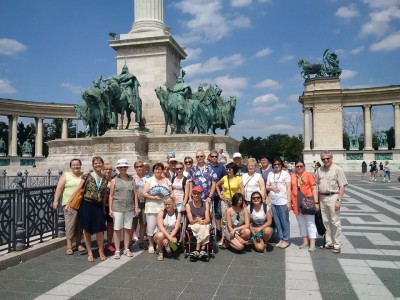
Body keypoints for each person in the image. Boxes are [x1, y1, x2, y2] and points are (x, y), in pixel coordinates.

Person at [69, 156, 109, 262]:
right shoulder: (87, 175)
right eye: (95, 163)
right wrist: (69, 201)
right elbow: (78, 188)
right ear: (93, 165)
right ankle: (90, 252)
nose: (98, 165)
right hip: (87, 205)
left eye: (99, 163)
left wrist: (104, 207)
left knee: (100, 230)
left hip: (98, 206)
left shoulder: (105, 177)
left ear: (102, 164)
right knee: (87, 230)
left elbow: (104, 194)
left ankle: (101, 251)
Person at [315, 150, 348, 254]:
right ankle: (329, 242)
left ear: (331, 158)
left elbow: (342, 186)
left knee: (335, 221)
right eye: (323, 159)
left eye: (327, 158)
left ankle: (337, 244)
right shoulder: (319, 170)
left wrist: (339, 200)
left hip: (333, 195)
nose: (326, 160)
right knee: (325, 221)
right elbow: (315, 184)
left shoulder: (337, 169)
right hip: (322, 197)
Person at [53, 158, 85, 255]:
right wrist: (55, 201)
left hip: (82, 203)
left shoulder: (84, 175)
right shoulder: (66, 175)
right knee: (70, 225)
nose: (76, 166)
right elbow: (59, 189)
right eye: (74, 165)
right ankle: (69, 246)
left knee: (80, 225)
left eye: (78, 164)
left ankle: (79, 244)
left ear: (80, 165)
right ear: (70, 166)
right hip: (69, 204)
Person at [109, 159, 139, 259]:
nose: (123, 169)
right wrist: (110, 209)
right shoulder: (114, 180)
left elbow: (135, 193)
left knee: (128, 229)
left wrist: (136, 206)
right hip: (117, 207)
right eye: (121, 167)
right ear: (118, 168)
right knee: (117, 229)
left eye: (125, 167)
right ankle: (117, 250)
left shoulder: (132, 179)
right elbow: (111, 196)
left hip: (129, 207)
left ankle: (126, 248)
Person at [142, 163, 172, 254]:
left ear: (162, 170)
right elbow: (144, 193)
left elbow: (170, 193)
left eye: (160, 169)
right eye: (156, 169)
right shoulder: (149, 180)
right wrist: (153, 197)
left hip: (163, 207)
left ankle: (162, 244)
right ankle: (151, 244)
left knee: (162, 227)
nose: (158, 171)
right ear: (153, 170)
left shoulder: (167, 180)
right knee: (151, 226)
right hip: (151, 206)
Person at [290, 160, 319, 252]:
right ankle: (305, 241)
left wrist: (316, 202)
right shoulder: (292, 176)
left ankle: (313, 243)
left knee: (310, 223)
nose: (299, 168)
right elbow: (290, 189)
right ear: (295, 167)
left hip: (308, 201)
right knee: (301, 223)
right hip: (296, 201)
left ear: (304, 166)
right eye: (297, 166)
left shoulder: (308, 175)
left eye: (301, 166)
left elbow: (314, 188)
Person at [215, 162, 244, 247]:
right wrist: (220, 194)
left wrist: (238, 198)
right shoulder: (224, 178)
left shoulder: (238, 178)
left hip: (234, 202)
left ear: (234, 170)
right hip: (225, 201)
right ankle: (223, 237)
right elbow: (217, 185)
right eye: (227, 169)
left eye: (230, 169)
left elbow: (242, 190)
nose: (228, 171)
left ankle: (233, 236)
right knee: (224, 220)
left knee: (234, 219)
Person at [266, 157, 291, 249]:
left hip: (283, 200)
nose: (277, 166)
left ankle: (286, 239)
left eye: (278, 164)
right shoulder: (270, 174)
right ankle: (281, 238)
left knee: (284, 220)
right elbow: (267, 186)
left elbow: (288, 188)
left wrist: (289, 202)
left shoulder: (285, 174)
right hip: (273, 201)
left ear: (281, 165)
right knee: (277, 221)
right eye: (275, 164)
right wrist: (272, 188)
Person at [185, 186, 211, 259]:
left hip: (204, 223)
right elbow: (191, 221)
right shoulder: (188, 205)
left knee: (203, 226)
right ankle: (202, 249)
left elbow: (208, 219)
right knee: (202, 227)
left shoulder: (205, 203)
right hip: (194, 224)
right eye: (194, 193)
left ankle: (197, 250)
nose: (196, 195)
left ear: (201, 194)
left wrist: (202, 221)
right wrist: (197, 220)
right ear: (192, 194)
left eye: (198, 194)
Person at [154, 197, 182, 261]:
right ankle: (160, 252)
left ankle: (166, 247)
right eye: (166, 204)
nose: (167, 206)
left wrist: (169, 238)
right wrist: (168, 237)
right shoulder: (161, 212)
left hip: (171, 233)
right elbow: (160, 227)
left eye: (169, 204)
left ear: (173, 204)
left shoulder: (178, 214)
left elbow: (176, 228)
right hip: (161, 232)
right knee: (161, 236)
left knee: (174, 246)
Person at [208, 150, 227, 239]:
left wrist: (223, 191)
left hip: (218, 193)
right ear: (210, 157)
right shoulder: (206, 167)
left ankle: (218, 231)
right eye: (213, 156)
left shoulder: (221, 167)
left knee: (218, 213)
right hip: (208, 193)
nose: (214, 158)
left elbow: (225, 179)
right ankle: (209, 231)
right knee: (209, 213)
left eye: (216, 156)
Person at [132, 160, 148, 249]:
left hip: (145, 203)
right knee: (133, 223)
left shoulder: (148, 178)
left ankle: (141, 241)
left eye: (141, 166)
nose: (139, 168)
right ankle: (130, 241)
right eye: (137, 167)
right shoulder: (132, 178)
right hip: (135, 203)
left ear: (144, 167)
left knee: (143, 223)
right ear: (135, 168)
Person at [103, 163, 115, 252]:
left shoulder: (114, 181)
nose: (108, 171)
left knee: (110, 225)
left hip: (111, 206)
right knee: (101, 226)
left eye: (109, 169)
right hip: (101, 206)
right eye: (106, 169)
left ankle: (109, 243)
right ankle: (101, 243)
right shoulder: (101, 180)